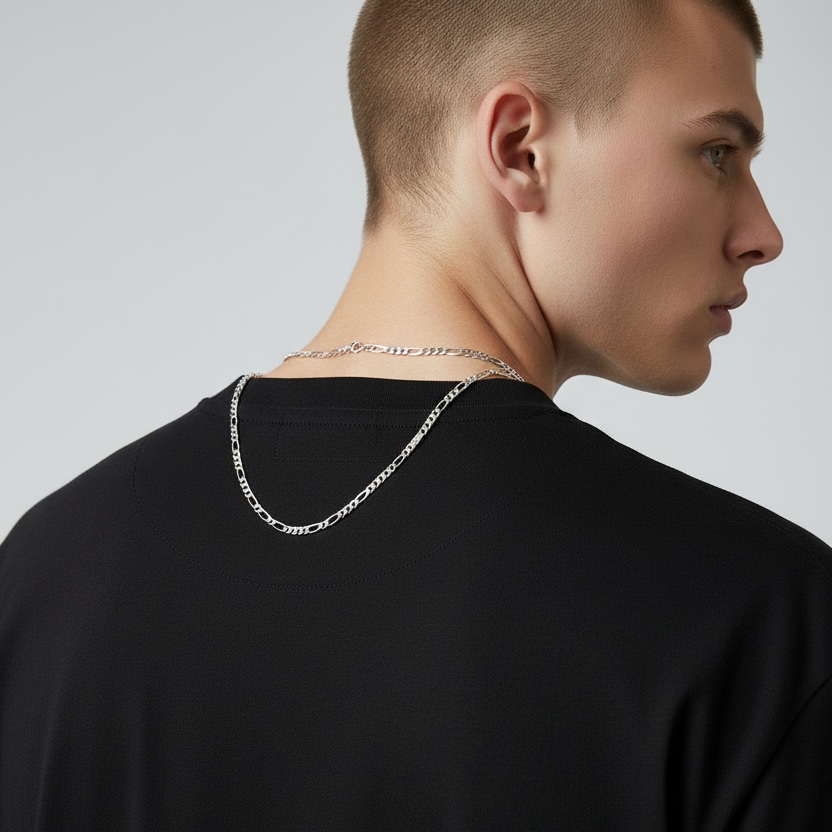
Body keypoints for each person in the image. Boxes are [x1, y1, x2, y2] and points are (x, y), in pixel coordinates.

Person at [2, 0, 830, 828]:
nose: (764, 233)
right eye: (717, 152)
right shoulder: (761, 620)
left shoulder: (45, 573)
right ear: (520, 148)